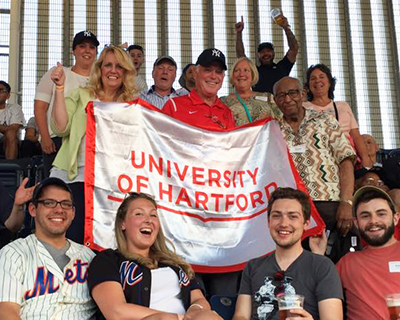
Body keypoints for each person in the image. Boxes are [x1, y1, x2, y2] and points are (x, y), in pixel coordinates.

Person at [50, 45, 137, 244]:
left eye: (119, 66)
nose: (113, 70)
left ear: (126, 72)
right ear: (100, 69)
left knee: (108, 242)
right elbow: (61, 127)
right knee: (75, 239)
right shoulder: (81, 95)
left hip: (112, 182)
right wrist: (59, 88)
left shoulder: (133, 106)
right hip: (76, 176)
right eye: (108, 65)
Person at [87, 192, 221, 320]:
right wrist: (175, 318)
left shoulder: (174, 263)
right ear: (123, 223)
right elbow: (116, 312)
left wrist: (196, 310)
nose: (148, 220)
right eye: (139, 214)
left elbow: (199, 299)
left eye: (153, 215)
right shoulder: (108, 260)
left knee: (209, 316)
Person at [273, 76, 358, 262]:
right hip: (291, 211)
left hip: (328, 205)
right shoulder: (272, 129)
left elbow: (346, 160)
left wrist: (347, 202)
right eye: (281, 96)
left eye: (292, 93)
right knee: (298, 270)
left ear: (303, 94)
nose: (287, 99)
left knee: (335, 265)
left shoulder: (325, 121)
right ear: (275, 101)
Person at [232, 187, 343, 320]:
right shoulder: (252, 267)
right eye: (277, 216)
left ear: (306, 223)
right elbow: (240, 315)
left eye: (293, 216)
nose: (284, 223)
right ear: (268, 222)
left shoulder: (323, 266)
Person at [0, 177, 96, 319]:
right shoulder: (13, 253)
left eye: (66, 204)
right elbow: (7, 311)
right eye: (49, 203)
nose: (59, 209)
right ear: (33, 209)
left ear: (73, 213)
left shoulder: (89, 257)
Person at [34, 30, 99, 177]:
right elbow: (40, 107)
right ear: (74, 51)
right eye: (82, 46)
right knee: (56, 189)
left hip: (89, 144)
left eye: (92, 47)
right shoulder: (58, 72)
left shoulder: (100, 80)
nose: (87, 51)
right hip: (57, 142)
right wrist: (45, 138)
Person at [336, 186, 400, 320]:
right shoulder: (347, 263)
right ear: (356, 223)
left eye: (381, 214)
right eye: (365, 216)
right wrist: (317, 255)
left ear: (395, 218)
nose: (373, 221)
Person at [303, 64, 372, 168]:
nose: (317, 81)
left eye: (321, 77)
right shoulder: (303, 107)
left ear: (330, 82)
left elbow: (355, 135)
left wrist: (365, 159)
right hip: (317, 158)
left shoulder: (343, 106)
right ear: (308, 85)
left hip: (346, 157)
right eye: (313, 78)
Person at [162, 48, 235, 130]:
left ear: (223, 77)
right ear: (196, 74)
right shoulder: (173, 106)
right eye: (208, 70)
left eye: (218, 72)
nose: (213, 76)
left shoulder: (227, 113)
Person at [235, 15, 298, 94]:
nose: (265, 54)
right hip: (259, 105)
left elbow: (294, 48)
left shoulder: (282, 68)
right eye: (262, 52)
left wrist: (286, 28)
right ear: (258, 55)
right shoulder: (255, 71)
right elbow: (241, 55)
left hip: (280, 104)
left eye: (268, 51)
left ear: (273, 53)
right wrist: (239, 33)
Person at [220, 57, 280, 126]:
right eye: (237, 70)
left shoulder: (268, 97)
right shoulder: (223, 101)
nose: (241, 74)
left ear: (253, 74)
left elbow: (282, 121)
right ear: (232, 76)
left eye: (246, 70)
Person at [0, 80, 25, 159]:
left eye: (1, 90)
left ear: (8, 96)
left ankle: (10, 168)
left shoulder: (14, 108)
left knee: (11, 133)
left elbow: (13, 129)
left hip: (6, 141)